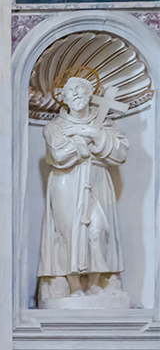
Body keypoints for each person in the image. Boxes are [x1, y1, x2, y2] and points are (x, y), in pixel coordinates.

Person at [37, 74, 128, 304]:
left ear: (90, 95)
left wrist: (96, 134)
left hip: (97, 181)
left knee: (98, 229)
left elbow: (120, 153)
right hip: (67, 182)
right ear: (64, 99)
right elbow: (58, 155)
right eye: (71, 92)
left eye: (81, 90)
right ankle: (74, 285)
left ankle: (95, 282)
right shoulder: (54, 127)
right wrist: (83, 144)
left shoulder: (104, 124)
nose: (77, 94)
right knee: (70, 233)